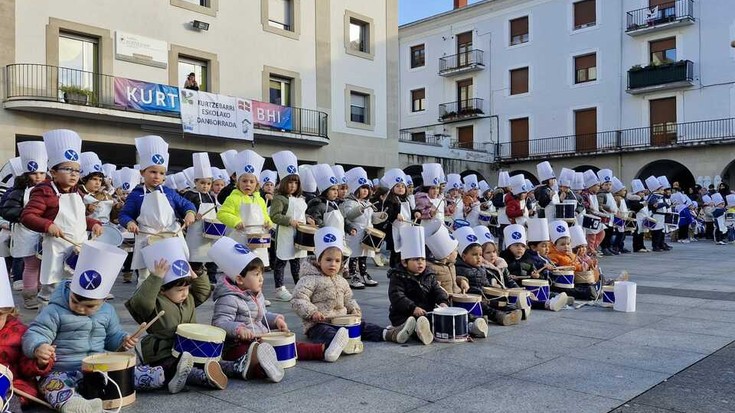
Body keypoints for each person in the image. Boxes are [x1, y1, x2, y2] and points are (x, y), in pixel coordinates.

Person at [23, 241, 177, 412]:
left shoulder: (107, 311)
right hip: (63, 370)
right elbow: (36, 332)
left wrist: (123, 340)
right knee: (51, 384)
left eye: (90, 306)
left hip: (99, 368)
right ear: (70, 291)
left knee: (133, 373)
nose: (81, 309)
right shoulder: (54, 311)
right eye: (75, 301)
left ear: (104, 300)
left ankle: (168, 374)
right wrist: (39, 346)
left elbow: (113, 337)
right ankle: (74, 405)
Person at [209, 236, 347, 367]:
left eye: (261, 274)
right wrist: (239, 329)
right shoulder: (228, 298)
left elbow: (261, 316)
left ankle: (324, 350)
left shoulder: (256, 294)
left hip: (259, 338)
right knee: (256, 356)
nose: (261, 279)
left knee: (290, 345)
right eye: (256, 275)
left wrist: (276, 321)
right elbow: (220, 323)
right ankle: (265, 369)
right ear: (240, 279)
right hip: (236, 345)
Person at [125, 238, 242, 391]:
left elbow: (203, 291)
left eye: (187, 288)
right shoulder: (155, 302)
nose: (185, 293)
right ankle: (201, 378)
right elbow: (142, 302)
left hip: (190, 347)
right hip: (163, 351)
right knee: (176, 366)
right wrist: (155, 278)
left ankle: (235, 367)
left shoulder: (189, 299)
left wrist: (195, 275)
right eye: (179, 290)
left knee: (207, 360)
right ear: (162, 290)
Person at [21, 130, 103, 306]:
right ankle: (45, 322)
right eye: (67, 169)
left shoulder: (77, 192)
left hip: (78, 248)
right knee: (53, 289)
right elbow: (27, 216)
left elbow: (79, 219)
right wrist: (47, 224)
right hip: (56, 249)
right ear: (53, 172)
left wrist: (93, 223)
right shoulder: (44, 191)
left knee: (74, 288)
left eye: (77, 170)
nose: (73, 174)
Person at [291, 227, 399, 349]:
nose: (333, 264)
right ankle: (338, 344)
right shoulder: (309, 279)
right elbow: (298, 299)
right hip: (319, 323)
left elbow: (348, 299)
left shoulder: (341, 281)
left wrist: (354, 309)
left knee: (362, 325)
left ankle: (388, 334)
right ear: (318, 260)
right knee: (326, 333)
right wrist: (312, 312)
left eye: (337, 261)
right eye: (328, 260)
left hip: (342, 320)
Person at [118, 136, 196, 286]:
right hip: (147, 238)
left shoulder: (170, 192)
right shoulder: (136, 195)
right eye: (153, 172)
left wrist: (190, 213)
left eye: (161, 173)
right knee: (147, 275)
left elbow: (186, 204)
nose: (157, 176)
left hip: (171, 236)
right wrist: (129, 222)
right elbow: (124, 214)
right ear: (142, 172)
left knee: (175, 272)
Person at [387, 226, 458, 345]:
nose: (421, 263)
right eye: (416, 259)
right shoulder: (398, 276)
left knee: (443, 319)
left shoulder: (429, 275)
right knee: (410, 322)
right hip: (403, 313)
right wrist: (412, 308)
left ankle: (471, 325)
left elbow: (437, 290)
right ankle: (415, 331)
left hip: (426, 312)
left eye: (423, 259)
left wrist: (442, 301)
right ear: (405, 262)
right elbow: (397, 296)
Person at [0, 142, 47, 310]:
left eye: (42, 172)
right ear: (26, 174)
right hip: (26, 232)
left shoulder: (49, 189)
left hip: (45, 232)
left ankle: (43, 292)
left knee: (45, 265)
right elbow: (7, 210)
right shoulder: (18, 190)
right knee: (32, 265)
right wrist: (26, 215)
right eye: (35, 173)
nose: (39, 177)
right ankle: (29, 296)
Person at [0, 262, 52, 413]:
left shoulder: (19, 333)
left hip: (14, 387)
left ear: (9, 312)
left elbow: (26, 367)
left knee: (11, 403)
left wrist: (40, 362)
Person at [454, 226, 523, 325]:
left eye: (480, 254)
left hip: (484, 294)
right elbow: (465, 286)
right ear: (464, 256)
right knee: (486, 306)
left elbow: (485, 283)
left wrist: (493, 288)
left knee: (499, 302)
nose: (479, 258)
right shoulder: (460, 268)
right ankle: (499, 316)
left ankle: (510, 312)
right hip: (474, 297)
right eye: (474, 255)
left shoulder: (481, 268)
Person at [217, 150, 272, 268]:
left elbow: (264, 214)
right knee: (241, 266)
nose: (248, 184)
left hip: (258, 239)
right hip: (239, 238)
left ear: (256, 184)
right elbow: (222, 213)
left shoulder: (260, 200)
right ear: (238, 182)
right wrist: (235, 222)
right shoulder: (233, 198)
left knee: (256, 266)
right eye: (244, 181)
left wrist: (268, 222)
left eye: (251, 181)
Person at [268, 151, 311, 302]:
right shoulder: (279, 198)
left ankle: (299, 287)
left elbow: (301, 213)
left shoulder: (299, 198)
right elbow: (274, 216)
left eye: (296, 183)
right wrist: (289, 221)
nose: (293, 186)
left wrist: (308, 219)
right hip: (285, 233)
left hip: (298, 233)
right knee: (281, 261)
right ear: (283, 182)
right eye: (290, 182)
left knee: (296, 262)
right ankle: (279, 288)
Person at [500, 224, 567, 312]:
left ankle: (557, 299)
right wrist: (509, 277)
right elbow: (502, 277)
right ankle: (548, 304)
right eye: (516, 245)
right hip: (514, 289)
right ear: (509, 247)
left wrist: (536, 276)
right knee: (528, 298)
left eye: (522, 246)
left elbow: (535, 274)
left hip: (527, 288)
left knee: (547, 293)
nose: (520, 248)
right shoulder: (503, 261)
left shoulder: (528, 260)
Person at [341, 167, 379, 289]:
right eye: (362, 188)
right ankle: (353, 275)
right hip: (355, 232)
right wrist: (359, 210)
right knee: (354, 254)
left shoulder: (367, 203)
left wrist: (380, 216)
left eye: (367, 189)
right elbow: (349, 215)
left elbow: (372, 217)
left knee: (364, 255)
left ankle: (363, 274)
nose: (365, 191)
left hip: (366, 232)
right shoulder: (350, 202)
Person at [182, 153, 218, 279]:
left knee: (212, 254)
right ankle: (194, 277)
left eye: (208, 184)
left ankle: (212, 278)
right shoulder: (189, 195)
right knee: (195, 255)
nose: (205, 186)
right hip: (195, 230)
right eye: (202, 183)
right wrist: (191, 215)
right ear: (195, 181)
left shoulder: (211, 196)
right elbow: (183, 210)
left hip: (210, 229)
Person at [425, 225, 468, 295]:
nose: (457, 253)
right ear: (448, 255)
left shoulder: (451, 265)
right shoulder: (432, 268)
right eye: (456, 251)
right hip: (445, 299)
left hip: (457, 296)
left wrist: (461, 280)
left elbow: (451, 280)